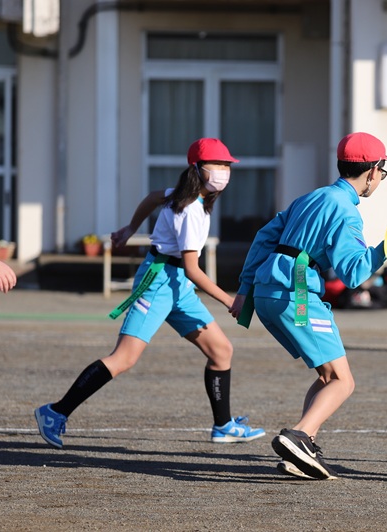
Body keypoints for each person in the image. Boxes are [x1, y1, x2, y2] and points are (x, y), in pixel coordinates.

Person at [34, 138, 265, 448]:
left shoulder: (183, 196)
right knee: (124, 358)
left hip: (176, 283)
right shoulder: (190, 210)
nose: (225, 171)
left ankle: (223, 426)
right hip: (159, 283)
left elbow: (153, 197)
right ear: (197, 168)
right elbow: (194, 269)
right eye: (219, 165)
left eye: (227, 166)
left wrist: (130, 227)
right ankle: (55, 412)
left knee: (221, 351)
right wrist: (229, 299)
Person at [229, 132, 387, 480]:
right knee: (343, 382)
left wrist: (244, 289)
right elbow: (353, 273)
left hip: (269, 290)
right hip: (295, 292)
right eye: (383, 172)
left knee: (328, 375)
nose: (381, 180)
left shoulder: (310, 197)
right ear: (372, 171)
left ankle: (303, 446)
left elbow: (264, 238)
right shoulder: (347, 211)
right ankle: (298, 437)